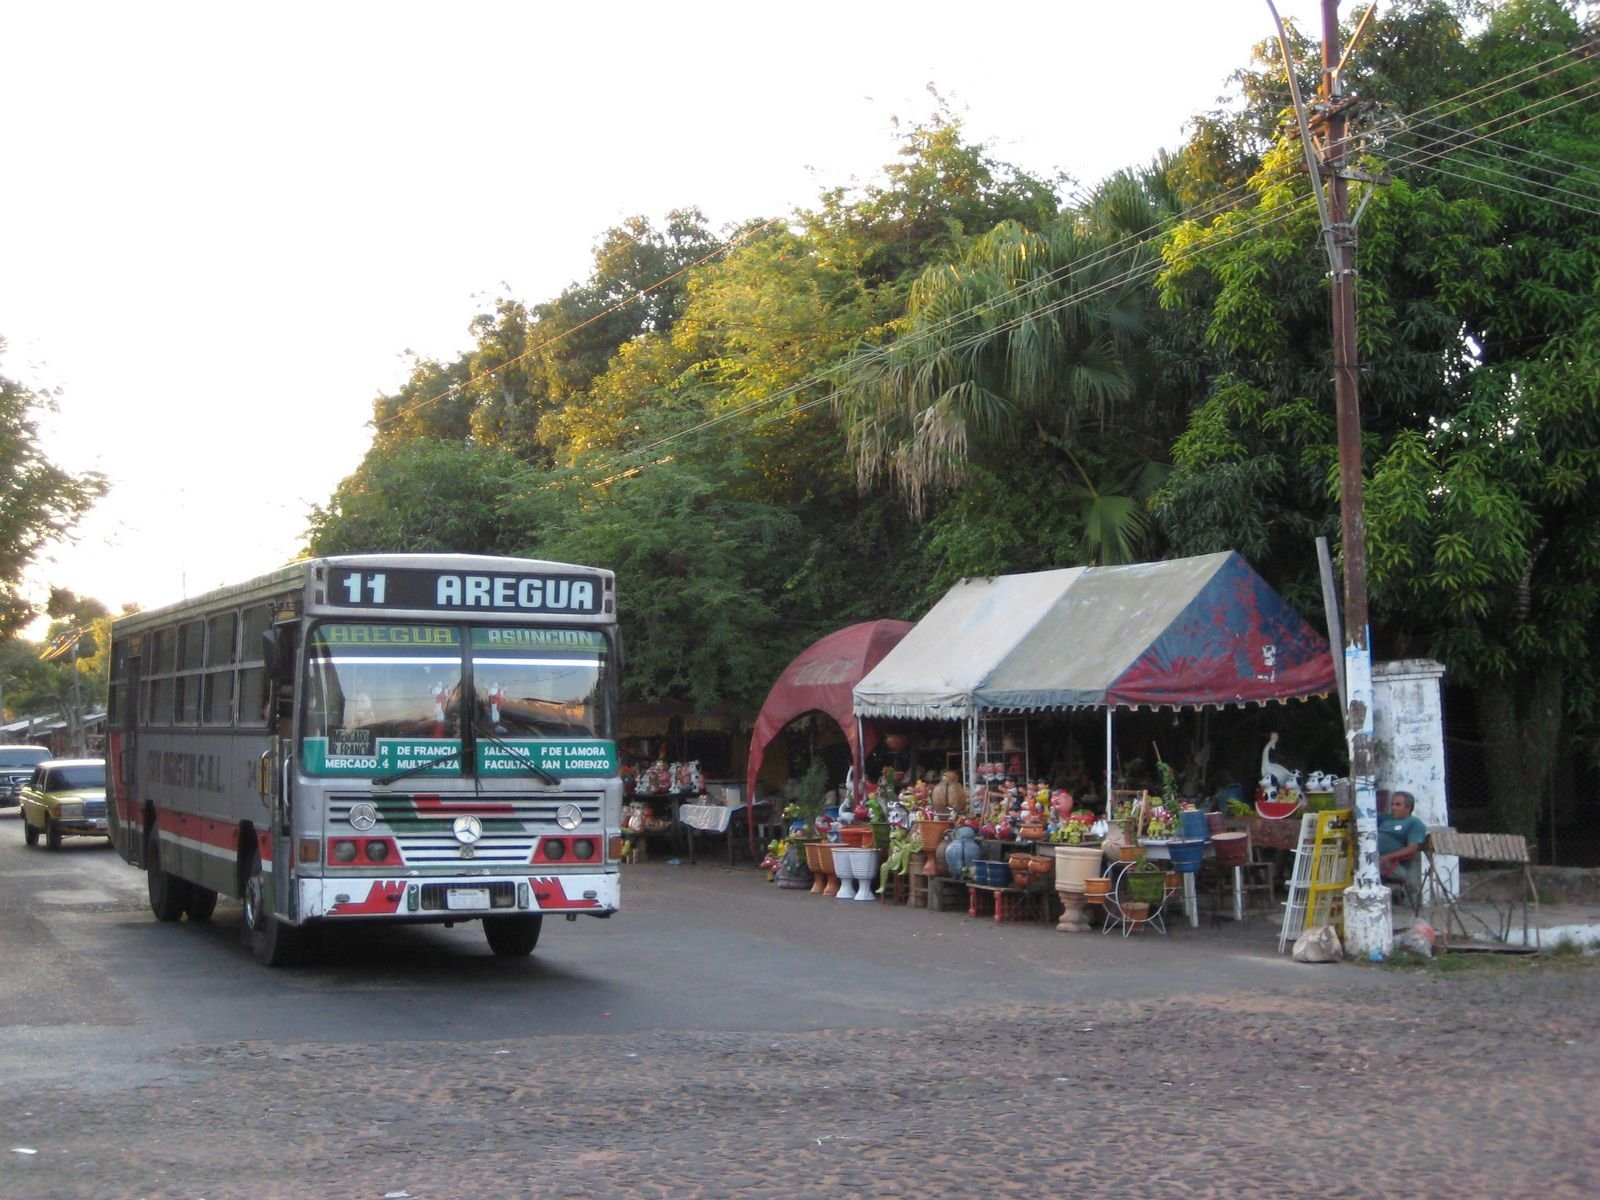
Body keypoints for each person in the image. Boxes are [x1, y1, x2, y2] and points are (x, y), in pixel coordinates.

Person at [1378, 790, 1428, 900]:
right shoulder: (1385, 819)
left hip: (1396, 864)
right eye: (1392, 804)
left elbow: (1412, 849)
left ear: (1408, 807)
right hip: (1376, 859)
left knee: (1364, 867)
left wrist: (1388, 857)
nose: (1393, 808)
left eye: (1398, 805)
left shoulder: (1414, 823)